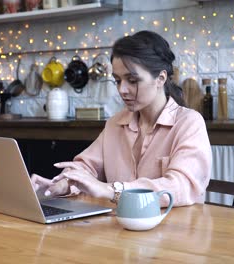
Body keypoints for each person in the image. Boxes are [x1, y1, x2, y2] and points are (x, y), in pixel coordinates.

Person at [31, 30, 212, 207]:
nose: (122, 90)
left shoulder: (189, 123)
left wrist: (112, 190)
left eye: (132, 80)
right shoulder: (115, 124)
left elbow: (181, 186)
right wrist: (65, 183)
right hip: (121, 230)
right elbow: (86, 166)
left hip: (177, 231)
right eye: (117, 80)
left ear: (160, 78)